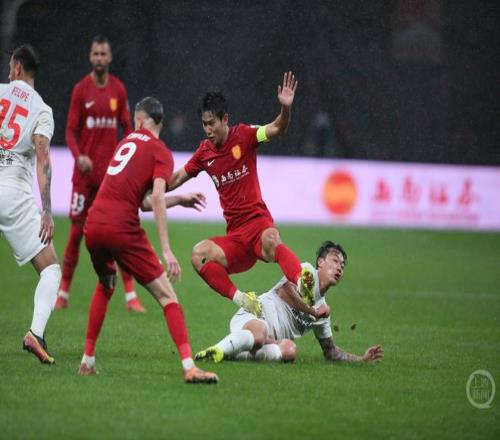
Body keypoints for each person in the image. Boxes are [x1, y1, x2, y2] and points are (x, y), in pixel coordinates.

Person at [77, 96, 218, 384]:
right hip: (121, 228)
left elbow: (142, 201)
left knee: (106, 284)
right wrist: (166, 250)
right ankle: (189, 367)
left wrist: (179, 199)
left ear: (140, 121)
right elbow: (155, 198)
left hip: (94, 224)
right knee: (168, 297)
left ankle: (87, 361)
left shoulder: (125, 143)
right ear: (159, 124)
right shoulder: (159, 150)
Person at [168, 72, 314, 317]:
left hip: (258, 226)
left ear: (225, 119)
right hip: (235, 239)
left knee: (272, 240)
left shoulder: (246, 135)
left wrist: (285, 108)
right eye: (204, 124)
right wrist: (148, 187)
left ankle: (302, 284)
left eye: (212, 123)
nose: (208, 130)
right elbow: (175, 179)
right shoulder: (204, 153)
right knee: (198, 255)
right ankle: (243, 300)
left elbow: (277, 127)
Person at [55, 35, 145, 312]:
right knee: (75, 234)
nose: (99, 58)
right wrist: (78, 156)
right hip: (84, 179)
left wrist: (126, 158)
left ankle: (130, 296)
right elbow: (70, 131)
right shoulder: (81, 90)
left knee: (119, 232)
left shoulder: (118, 90)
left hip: (110, 180)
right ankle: (63, 293)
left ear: (110, 57)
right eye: (95, 54)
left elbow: (128, 129)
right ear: (90, 56)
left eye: (103, 54)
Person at [195, 241, 384, 364]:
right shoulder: (306, 273)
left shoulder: (322, 310)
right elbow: (284, 291)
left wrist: (361, 359)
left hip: (269, 339)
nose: (339, 268)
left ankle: (234, 352)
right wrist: (313, 312)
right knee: (259, 334)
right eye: (335, 261)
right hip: (254, 316)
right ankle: (215, 351)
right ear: (320, 262)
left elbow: (331, 352)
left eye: (342, 265)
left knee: (289, 350)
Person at [0, 44, 62, 364]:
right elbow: (43, 159)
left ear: (17, 68)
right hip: (12, 192)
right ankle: (35, 334)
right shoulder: (41, 109)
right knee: (50, 269)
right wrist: (46, 210)